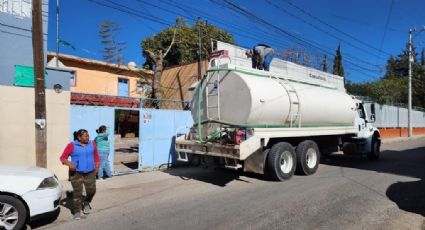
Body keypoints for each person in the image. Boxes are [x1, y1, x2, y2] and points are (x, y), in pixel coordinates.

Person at [60, 129, 99, 220]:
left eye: (88, 135)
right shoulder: (71, 145)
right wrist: (69, 164)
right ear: (79, 137)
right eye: (85, 136)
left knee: (92, 191)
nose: (88, 137)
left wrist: (97, 167)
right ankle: (77, 211)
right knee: (78, 193)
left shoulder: (92, 143)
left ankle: (86, 202)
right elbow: (62, 158)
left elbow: (96, 156)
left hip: (90, 172)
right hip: (76, 173)